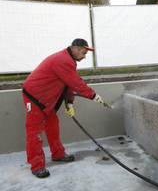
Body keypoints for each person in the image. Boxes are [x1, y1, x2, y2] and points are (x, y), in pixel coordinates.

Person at [22, 38, 103, 178]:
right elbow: (76, 82)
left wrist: (69, 102)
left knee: (52, 125)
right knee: (35, 131)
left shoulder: (69, 60)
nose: (84, 56)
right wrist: (93, 95)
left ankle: (58, 154)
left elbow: (69, 82)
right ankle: (37, 165)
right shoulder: (62, 59)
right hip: (35, 97)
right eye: (83, 53)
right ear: (75, 48)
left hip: (46, 99)